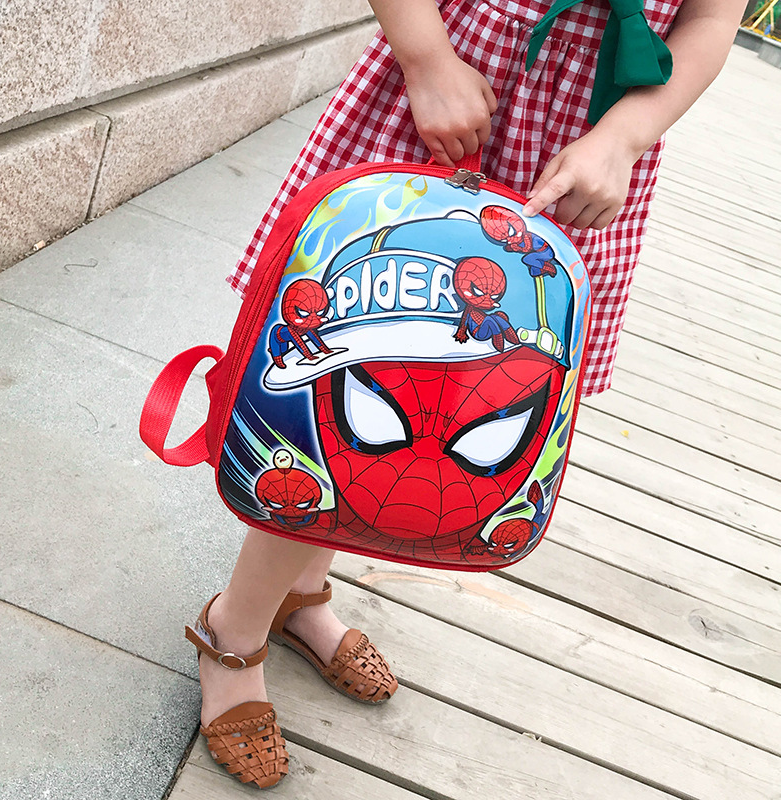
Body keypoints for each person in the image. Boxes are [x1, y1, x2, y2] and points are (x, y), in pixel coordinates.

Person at [192, 0, 745, 788]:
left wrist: (624, 137)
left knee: (449, 413)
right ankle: (234, 631)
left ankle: (301, 592)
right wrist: (426, 58)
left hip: (583, 152)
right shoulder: (436, 70)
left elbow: (712, 21)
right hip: (450, 93)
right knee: (364, 383)